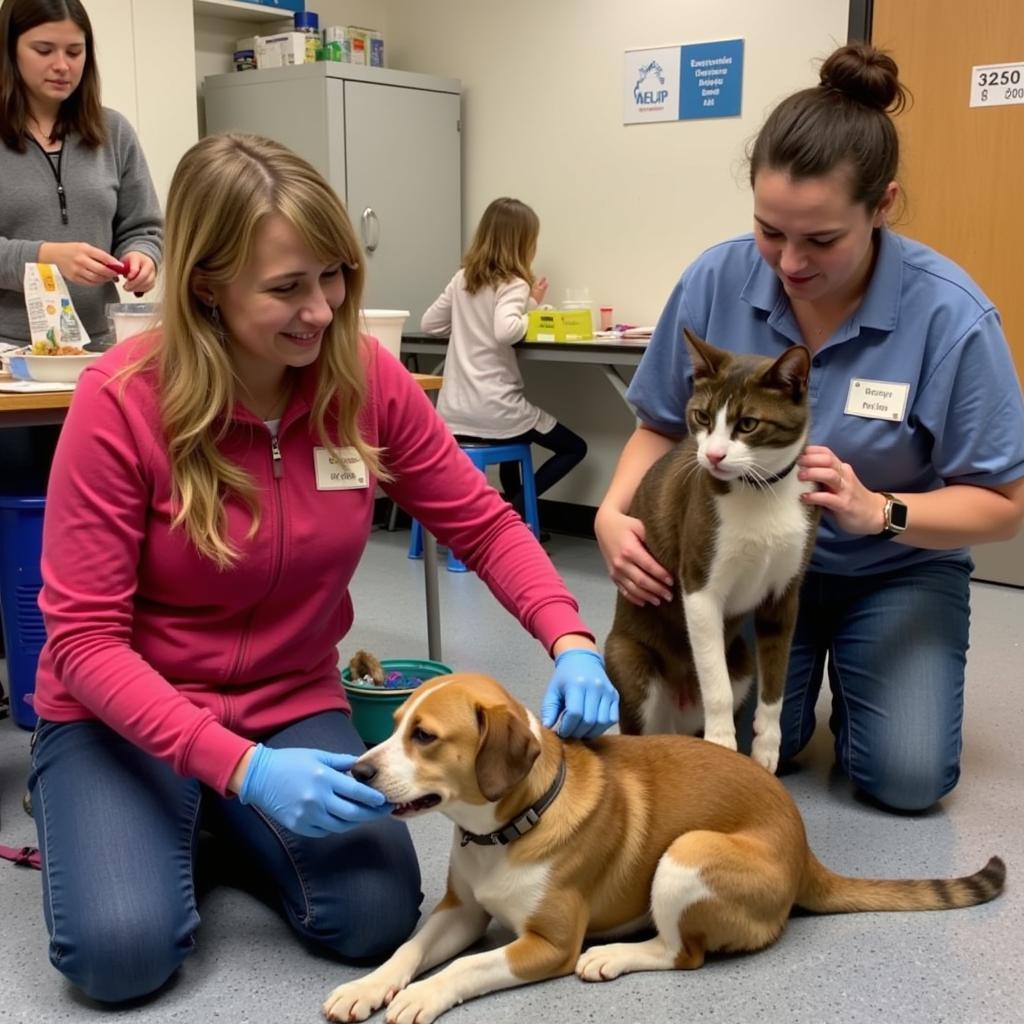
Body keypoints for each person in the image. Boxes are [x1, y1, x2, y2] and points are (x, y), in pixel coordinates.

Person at [28, 133, 619, 1004]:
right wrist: (243, 770)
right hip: (122, 717)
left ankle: (213, 818)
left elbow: (485, 526)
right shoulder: (120, 402)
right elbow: (82, 642)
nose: (322, 309)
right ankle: (165, 802)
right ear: (206, 286)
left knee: (374, 919)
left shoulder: (365, 382)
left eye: (334, 275)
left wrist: (570, 637)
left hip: (286, 699)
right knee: (122, 956)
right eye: (286, 288)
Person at [596, 43, 1024, 814]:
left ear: (882, 205)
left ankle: (863, 678)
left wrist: (881, 512)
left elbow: (1003, 502)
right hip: (753, 569)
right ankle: (798, 696)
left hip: (891, 570)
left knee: (906, 780)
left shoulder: (951, 316)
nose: (789, 262)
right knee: (752, 750)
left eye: (820, 240)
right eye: (769, 231)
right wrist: (610, 512)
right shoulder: (715, 278)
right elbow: (661, 426)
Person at [0, 0, 162, 346]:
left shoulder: (113, 130)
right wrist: (45, 258)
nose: (62, 66)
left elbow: (144, 227)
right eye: (44, 50)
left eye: (75, 52)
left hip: (100, 346)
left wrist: (142, 255)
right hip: (8, 352)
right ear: (9, 50)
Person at [421, 197, 588, 524]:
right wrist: (535, 310)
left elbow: (430, 324)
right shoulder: (513, 282)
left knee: (518, 436)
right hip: (495, 410)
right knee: (574, 448)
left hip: (454, 412)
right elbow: (505, 330)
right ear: (523, 243)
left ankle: (515, 514)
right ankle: (512, 514)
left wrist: (469, 323)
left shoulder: (463, 278)